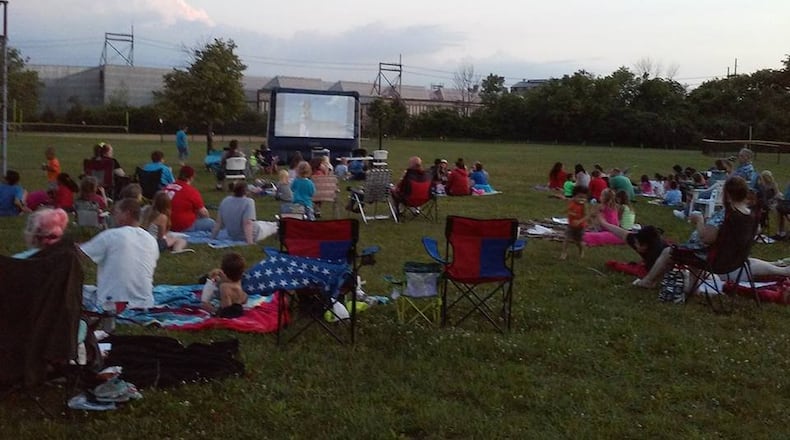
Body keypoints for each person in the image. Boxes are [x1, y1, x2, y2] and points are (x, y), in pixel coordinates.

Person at [632, 176, 790, 289]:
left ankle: (648, 281)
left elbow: (706, 239)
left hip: (717, 261)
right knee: (694, 251)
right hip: (736, 259)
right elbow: (755, 232)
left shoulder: (727, 215)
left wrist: (699, 220)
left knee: (669, 251)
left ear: (726, 194)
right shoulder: (750, 216)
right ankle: (691, 286)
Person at [80, 198, 160, 309]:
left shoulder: (112, 235)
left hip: (112, 304)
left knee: (71, 289)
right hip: (145, 303)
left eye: (117, 213)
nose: (114, 217)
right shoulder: (151, 240)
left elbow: (78, 254)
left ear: (126, 214)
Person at [163, 165, 215, 232]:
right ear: (191, 177)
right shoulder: (191, 191)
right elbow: (204, 213)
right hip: (181, 226)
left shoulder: (166, 187)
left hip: (164, 223)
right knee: (211, 223)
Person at [200, 252, 249, 318]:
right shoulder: (238, 280)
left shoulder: (224, 287)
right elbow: (229, 280)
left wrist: (212, 309)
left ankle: (205, 278)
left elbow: (226, 311)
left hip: (232, 311)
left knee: (204, 305)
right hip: (239, 300)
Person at [560, 185, 589, 260]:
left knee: (578, 241)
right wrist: (566, 211)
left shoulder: (584, 206)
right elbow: (569, 208)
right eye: (580, 197)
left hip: (580, 227)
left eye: (584, 198)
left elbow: (586, 216)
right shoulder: (572, 202)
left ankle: (581, 250)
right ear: (574, 196)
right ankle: (564, 252)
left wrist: (579, 221)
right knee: (566, 238)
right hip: (571, 225)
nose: (582, 199)